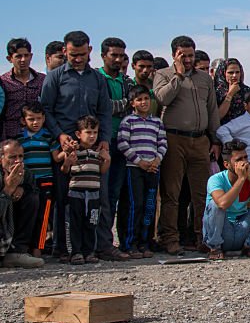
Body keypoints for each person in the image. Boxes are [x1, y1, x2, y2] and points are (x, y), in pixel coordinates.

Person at [39, 31, 118, 261]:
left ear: (89, 51)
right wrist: (60, 135)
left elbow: (104, 111)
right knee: (65, 199)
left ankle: (99, 246)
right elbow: (46, 110)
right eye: (73, 54)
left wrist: (104, 138)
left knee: (98, 197)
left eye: (81, 54)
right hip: (67, 148)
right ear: (65, 51)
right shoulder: (54, 78)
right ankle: (63, 249)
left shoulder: (97, 79)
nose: (77, 59)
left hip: (93, 148)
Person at [153, 35, 220, 255]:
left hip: (200, 140)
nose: (189, 59)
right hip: (173, 139)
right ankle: (170, 238)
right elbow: (163, 98)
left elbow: (211, 109)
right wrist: (179, 75)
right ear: (174, 55)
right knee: (171, 193)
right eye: (184, 55)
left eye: (191, 55)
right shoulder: (162, 74)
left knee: (202, 193)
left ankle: (204, 236)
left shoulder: (204, 79)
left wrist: (215, 138)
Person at [116, 86, 167, 258]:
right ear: (132, 103)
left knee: (150, 205)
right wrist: (139, 162)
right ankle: (130, 243)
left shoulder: (157, 122)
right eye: (139, 99)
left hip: (153, 168)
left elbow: (162, 143)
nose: (143, 102)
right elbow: (123, 144)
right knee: (134, 205)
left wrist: (157, 160)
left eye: (146, 98)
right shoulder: (128, 121)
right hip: (134, 169)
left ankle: (145, 241)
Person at [203, 139, 250, 260]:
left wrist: (249, 177)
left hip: (241, 228)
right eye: (239, 160)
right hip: (222, 231)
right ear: (226, 164)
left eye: (245, 158)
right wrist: (241, 179)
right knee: (215, 204)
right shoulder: (216, 179)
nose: (244, 162)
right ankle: (214, 248)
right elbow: (222, 204)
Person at [56, 116, 110, 265]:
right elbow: (64, 170)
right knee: (74, 223)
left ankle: (89, 251)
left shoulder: (97, 152)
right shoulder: (73, 151)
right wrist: (67, 162)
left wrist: (107, 160)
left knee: (91, 223)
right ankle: (75, 252)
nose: (92, 136)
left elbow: (102, 171)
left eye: (95, 132)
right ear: (79, 134)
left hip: (93, 194)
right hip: (75, 194)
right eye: (88, 132)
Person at [98, 37, 132, 258]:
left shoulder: (126, 81)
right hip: (102, 142)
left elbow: (132, 104)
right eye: (114, 55)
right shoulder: (96, 78)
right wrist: (122, 105)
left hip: (123, 144)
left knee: (117, 195)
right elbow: (101, 105)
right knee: (102, 195)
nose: (118, 60)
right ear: (103, 56)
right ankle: (100, 243)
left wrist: (116, 106)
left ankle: (112, 243)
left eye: (121, 55)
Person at [217, 90, 250, 196]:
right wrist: (233, 147)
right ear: (246, 106)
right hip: (248, 170)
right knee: (245, 202)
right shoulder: (240, 122)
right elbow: (221, 131)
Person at [19, 102, 55, 257]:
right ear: (23, 121)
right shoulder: (19, 139)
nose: (35, 122)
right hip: (27, 183)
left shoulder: (48, 137)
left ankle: (38, 247)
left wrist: (69, 154)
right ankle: (23, 247)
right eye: (31, 119)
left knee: (44, 215)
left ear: (44, 119)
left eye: (38, 119)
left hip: (46, 181)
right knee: (26, 214)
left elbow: (56, 156)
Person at [0, 139, 43, 268]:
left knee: (33, 198)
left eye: (21, 156)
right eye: (12, 157)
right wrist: (8, 190)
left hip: (11, 224)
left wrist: (23, 188)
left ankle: (17, 251)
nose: (18, 161)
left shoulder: (26, 174)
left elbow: (34, 192)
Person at [1, 38, 46, 141]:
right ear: (9, 58)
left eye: (26, 55)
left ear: (31, 56)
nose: (23, 60)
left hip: (38, 137)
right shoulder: (3, 82)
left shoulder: (42, 80)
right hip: (11, 136)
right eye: (18, 56)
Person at [214, 58, 250, 125]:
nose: (234, 75)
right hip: (222, 131)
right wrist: (230, 94)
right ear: (223, 73)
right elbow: (217, 117)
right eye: (230, 73)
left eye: (237, 72)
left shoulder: (247, 91)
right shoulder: (216, 92)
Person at [129, 50, 160, 116]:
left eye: (149, 67)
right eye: (141, 66)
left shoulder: (157, 86)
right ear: (133, 66)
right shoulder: (129, 86)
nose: (145, 70)